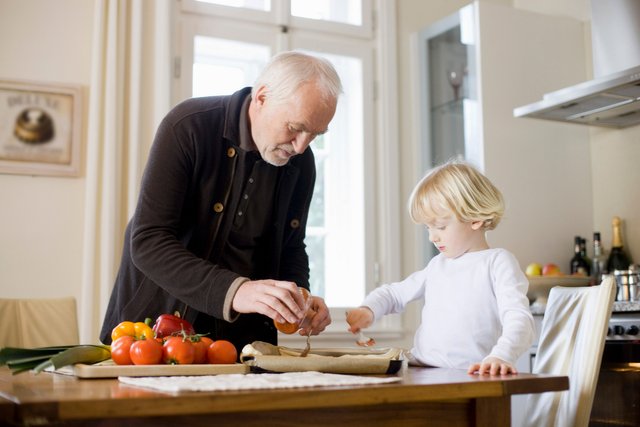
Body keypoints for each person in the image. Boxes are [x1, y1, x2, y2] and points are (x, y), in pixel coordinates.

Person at [99, 51, 341, 353]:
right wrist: (236, 290)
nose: (302, 145)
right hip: (153, 334)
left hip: (243, 343)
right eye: (295, 127)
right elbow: (149, 241)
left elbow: (291, 246)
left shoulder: (302, 163)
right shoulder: (187, 126)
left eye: (315, 134)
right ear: (262, 97)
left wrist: (299, 297)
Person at [346, 160, 534, 375]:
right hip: (422, 370)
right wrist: (369, 309)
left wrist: (501, 355)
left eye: (441, 227)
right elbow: (394, 294)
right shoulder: (437, 265)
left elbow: (519, 319)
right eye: (428, 227)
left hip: (473, 374)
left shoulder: (497, 262)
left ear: (475, 218)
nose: (432, 237)